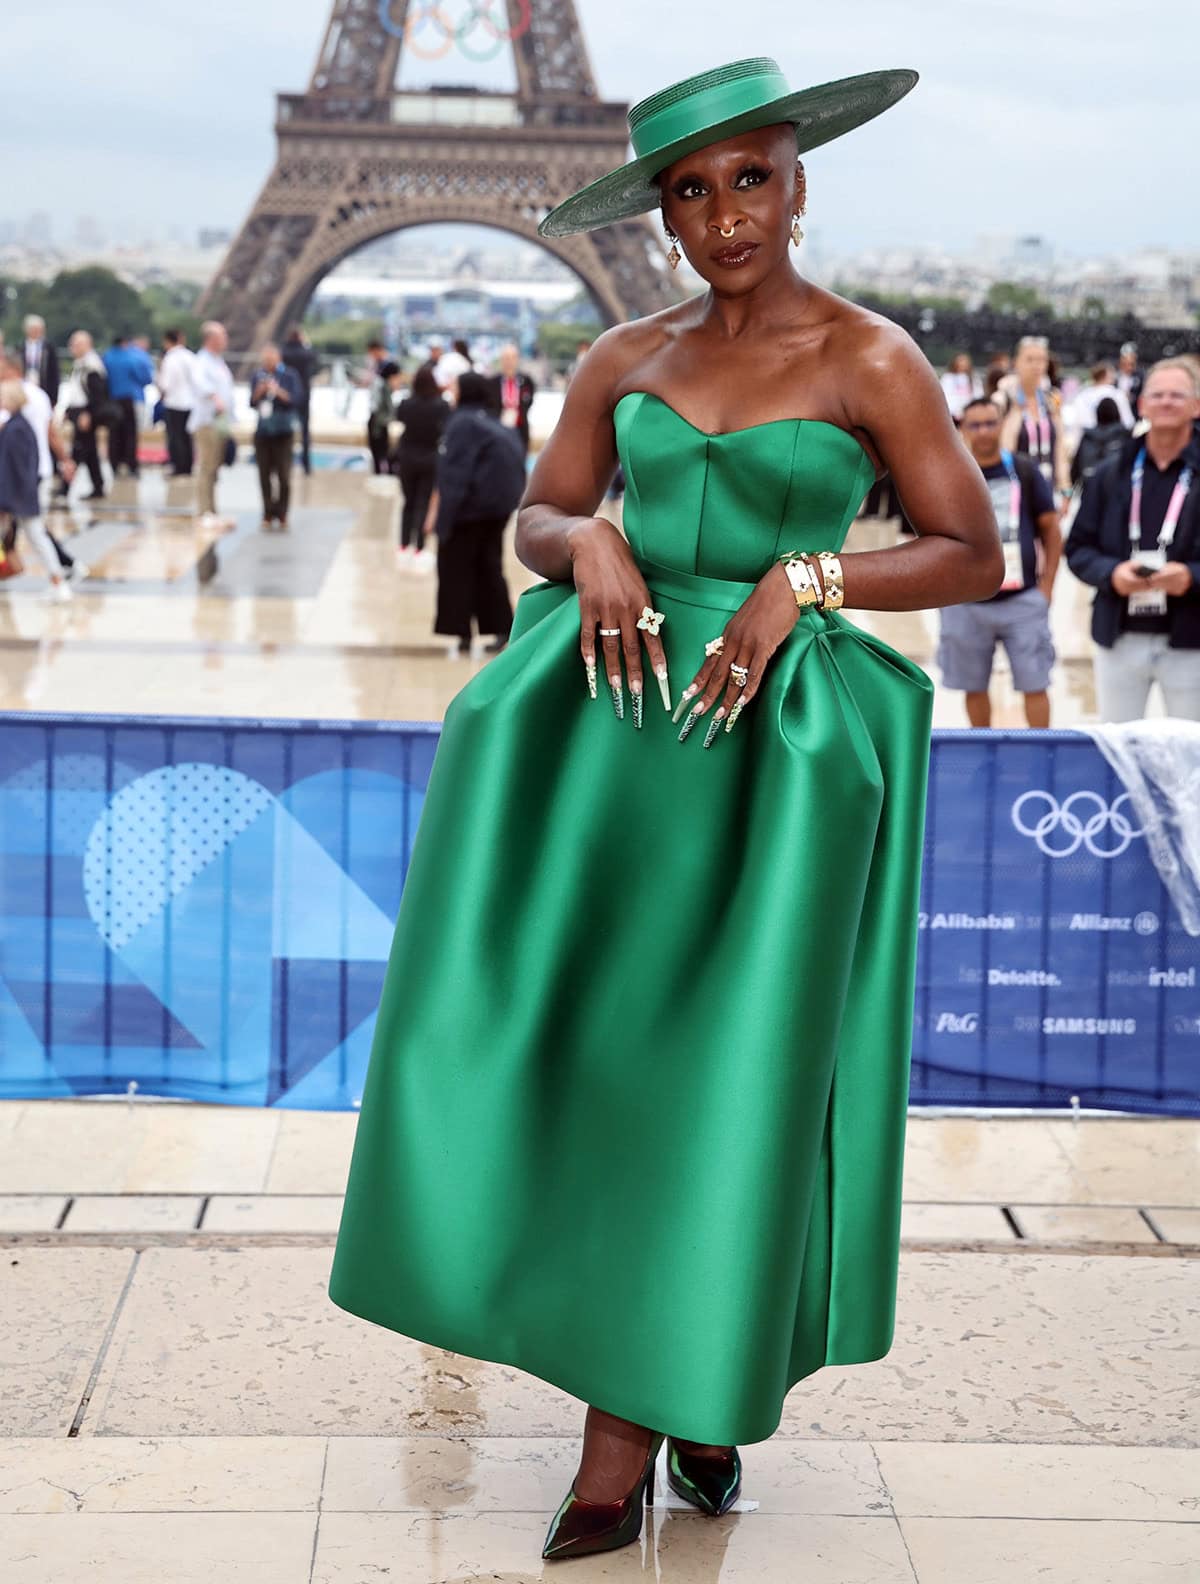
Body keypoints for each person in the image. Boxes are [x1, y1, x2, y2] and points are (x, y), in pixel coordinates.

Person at [329, 56, 1001, 1568]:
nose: (724, 215)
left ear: (799, 181)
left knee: (730, 1078)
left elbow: (974, 552)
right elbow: (538, 517)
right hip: (617, 746)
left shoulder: (872, 359)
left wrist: (808, 578)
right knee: (608, 1071)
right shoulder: (621, 356)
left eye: (749, 177)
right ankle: (655, 1410)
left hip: (771, 754)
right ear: (660, 214)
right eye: (689, 192)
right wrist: (589, 553)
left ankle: (647, 1425)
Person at [1066, 358, 1200, 722]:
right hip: (1120, 634)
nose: (1166, 402)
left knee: (1190, 757)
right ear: (1142, 405)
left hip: (1191, 639)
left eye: (1177, 394)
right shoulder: (1112, 472)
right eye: (1157, 394)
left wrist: (1191, 577)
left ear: (1196, 405)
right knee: (1119, 747)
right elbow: (1077, 548)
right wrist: (1112, 574)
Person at [938, 397, 1060, 726]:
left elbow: (1051, 529)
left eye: (990, 422)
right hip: (966, 602)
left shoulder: (1023, 470)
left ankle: (1040, 754)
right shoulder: (950, 474)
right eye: (975, 424)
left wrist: (1047, 588)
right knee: (973, 686)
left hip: (1022, 598)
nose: (983, 432)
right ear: (962, 429)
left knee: (1036, 683)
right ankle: (983, 752)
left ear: (1002, 424)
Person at [424, 370, 521, 653]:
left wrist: (444, 521)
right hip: (497, 509)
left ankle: (462, 632)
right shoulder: (491, 420)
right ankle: (503, 628)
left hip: (471, 509)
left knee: (456, 568)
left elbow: (454, 474)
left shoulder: (462, 423)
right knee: (489, 566)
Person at [0, 351, 81, 581]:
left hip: (20, 477)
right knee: (34, 530)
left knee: (34, 530)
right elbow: (51, 433)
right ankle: (61, 569)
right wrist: (65, 459)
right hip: (36, 469)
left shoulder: (13, 410)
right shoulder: (39, 396)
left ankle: (60, 571)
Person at [997, 337, 1070, 502]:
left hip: (1047, 489)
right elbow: (1005, 448)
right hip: (1015, 491)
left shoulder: (1051, 399)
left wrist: (1066, 488)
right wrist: (1016, 410)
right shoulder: (1004, 399)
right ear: (1016, 363)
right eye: (1029, 359)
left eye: (1042, 359)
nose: (1036, 365)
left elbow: (1059, 447)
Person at [393, 361, 447, 569]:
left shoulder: (406, 404)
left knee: (407, 502)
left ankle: (403, 544)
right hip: (430, 459)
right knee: (423, 502)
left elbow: (398, 418)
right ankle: (420, 546)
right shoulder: (440, 405)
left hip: (407, 457)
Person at [249, 342, 303, 531]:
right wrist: (260, 391)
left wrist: (277, 391)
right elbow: (252, 402)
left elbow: (296, 400)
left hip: (283, 431)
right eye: (265, 360)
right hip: (264, 430)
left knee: (284, 475)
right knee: (264, 474)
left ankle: (282, 512)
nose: (268, 363)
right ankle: (267, 511)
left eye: (270, 359)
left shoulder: (289, 376)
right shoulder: (258, 376)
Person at [188, 321, 236, 532]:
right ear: (211, 339)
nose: (226, 339)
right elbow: (200, 385)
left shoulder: (217, 361)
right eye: (222, 336)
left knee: (213, 468)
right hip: (207, 422)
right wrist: (215, 397)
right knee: (207, 467)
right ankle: (204, 511)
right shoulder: (202, 362)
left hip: (219, 422)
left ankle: (211, 511)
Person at [62, 330, 109, 502]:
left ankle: (65, 487)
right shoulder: (81, 363)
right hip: (79, 411)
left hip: (85, 413)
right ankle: (98, 486)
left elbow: (97, 395)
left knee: (78, 450)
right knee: (89, 453)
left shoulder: (91, 365)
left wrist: (87, 414)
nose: (72, 348)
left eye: (75, 344)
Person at [103, 333, 151, 478]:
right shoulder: (130, 358)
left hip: (111, 399)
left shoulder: (106, 358)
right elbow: (144, 378)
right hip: (127, 398)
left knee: (114, 434)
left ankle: (114, 464)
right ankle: (131, 465)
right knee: (130, 433)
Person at [159, 329, 196, 477]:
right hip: (190, 402)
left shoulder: (170, 358)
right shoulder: (190, 356)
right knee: (186, 437)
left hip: (174, 402)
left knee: (175, 437)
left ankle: (178, 466)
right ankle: (188, 466)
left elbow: (165, 384)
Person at [1071, 395, 1129, 487]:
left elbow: (1075, 470)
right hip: (1116, 490)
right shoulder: (1125, 436)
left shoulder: (1087, 437)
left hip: (1089, 489)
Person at [282, 326, 317, 476]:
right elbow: (315, 358)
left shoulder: (284, 352)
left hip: (288, 396)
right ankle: (306, 465)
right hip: (304, 395)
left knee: (286, 431)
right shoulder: (305, 353)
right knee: (305, 432)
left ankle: (286, 463)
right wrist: (306, 343)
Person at [489, 342, 536, 454]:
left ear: (517, 359)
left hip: (520, 429)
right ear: (501, 360)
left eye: (512, 358)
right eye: (506, 358)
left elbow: (529, 401)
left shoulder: (526, 381)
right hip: (498, 428)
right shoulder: (492, 382)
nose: (509, 362)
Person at [1072, 362, 1134, 432]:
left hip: (1089, 436)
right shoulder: (1118, 394)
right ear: (1107, 376)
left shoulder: (1082, 394)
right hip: (1114, 437)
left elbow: (1076, 422)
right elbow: (1128, 422)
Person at [364, 341, 390, 473]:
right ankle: (378, 469)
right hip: (377, 410)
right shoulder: (377, 365)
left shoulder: (386, 366)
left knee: (380, 442)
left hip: (381, 412)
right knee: (376, 442)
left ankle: (381, 469)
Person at [21, 315, 59, 405]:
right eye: (33, 329)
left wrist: (54, 399)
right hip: (25, 389)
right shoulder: (20, 348)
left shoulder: (49, 348)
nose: (36, 332)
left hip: (44, 388)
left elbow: (55, 373)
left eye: (38, 329)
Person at [939, 351, 982, 422]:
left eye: (965, 361)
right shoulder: (948, 378)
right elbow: (945, 396)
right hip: (952, 415)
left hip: (970, 414)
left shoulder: (974, 378)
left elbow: (978, 396)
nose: (963, 363)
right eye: (961, 361)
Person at [1117, 342, 1143, 413]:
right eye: (1125, 364)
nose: (1128, 367)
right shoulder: (1115, 377)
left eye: (1131, 364)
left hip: (1134, 411)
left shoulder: (1140, 377)